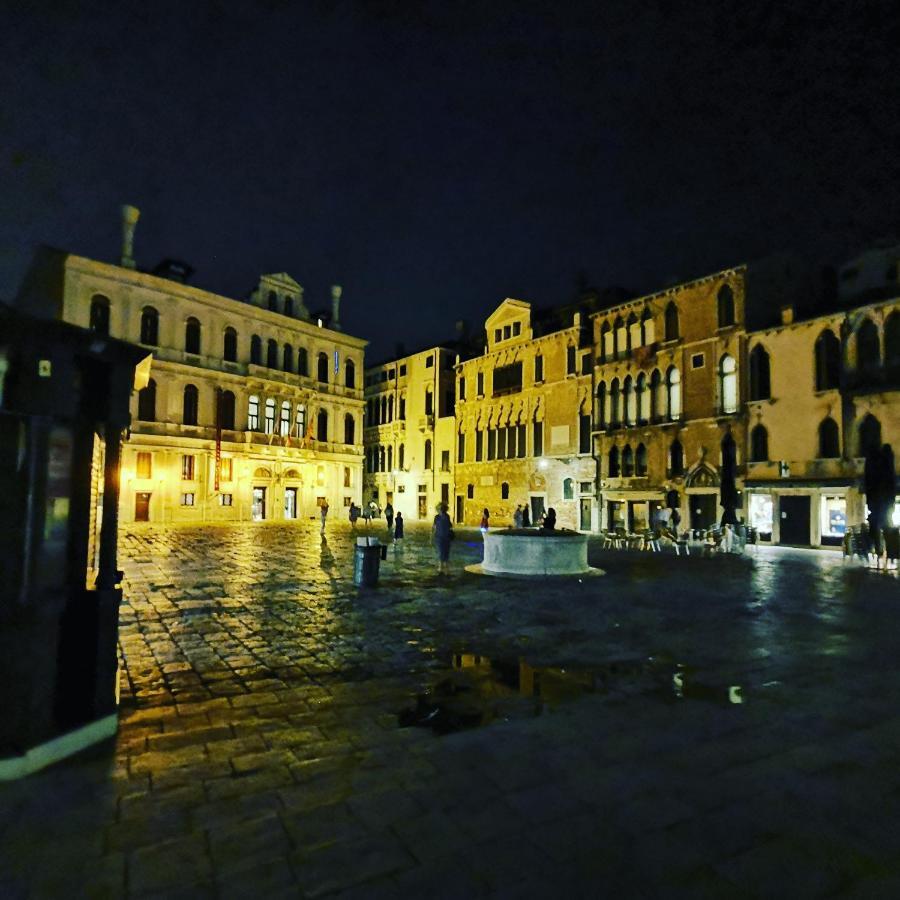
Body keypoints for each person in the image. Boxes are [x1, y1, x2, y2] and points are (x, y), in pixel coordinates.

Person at [432, 503, 453, 574]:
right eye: (439, 509)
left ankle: (444, 568)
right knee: (442, 552)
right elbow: (434, 527)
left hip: (445, 537)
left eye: (440, 509)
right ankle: (442, 568)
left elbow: (449, 526)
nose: (439, 510)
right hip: (440, 538)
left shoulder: (446, 517)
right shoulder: (438, 517)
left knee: (445, 552)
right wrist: (432, 536)